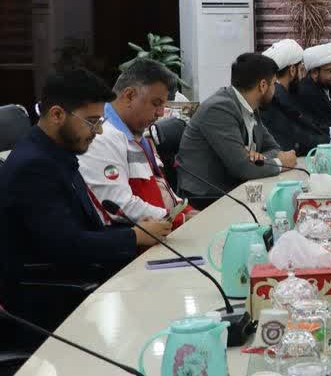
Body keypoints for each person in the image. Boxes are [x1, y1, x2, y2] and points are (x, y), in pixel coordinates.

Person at [0, 69, 171, 337]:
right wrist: (134, 236)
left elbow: (82, 230)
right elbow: (67, 246)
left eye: (100, 121)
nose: (99, 131)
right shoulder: (34, 167)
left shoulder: (57, 154)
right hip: (46, 302)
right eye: (92, 122)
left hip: (73, 281)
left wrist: (137, 232)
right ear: (57, 115)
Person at [80, 59, 196, 228]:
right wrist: (180, 219)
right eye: (156, 103)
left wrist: (187, 211)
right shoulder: (100, 137)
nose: (161, 113)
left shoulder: (138, 135)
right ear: (129, 96)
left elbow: (162, 189)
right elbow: (119, 204)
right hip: (140, 238)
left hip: (163, 230)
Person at [176, 53, 296, 206]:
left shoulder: (251, 106)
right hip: (207, 197)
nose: (275, 90)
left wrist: (259, 159)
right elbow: (243, 168)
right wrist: (280, 163)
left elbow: (274, 148)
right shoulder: (219, 108)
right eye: (273, 84)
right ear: (263, 85)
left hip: (233, 188)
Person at [259, 39, 331, 156]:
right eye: (301, 69)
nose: (303, 76)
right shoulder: (277, 97)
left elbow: (312, 128)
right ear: (293, 70)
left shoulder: (285, 94)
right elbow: (299, 137)